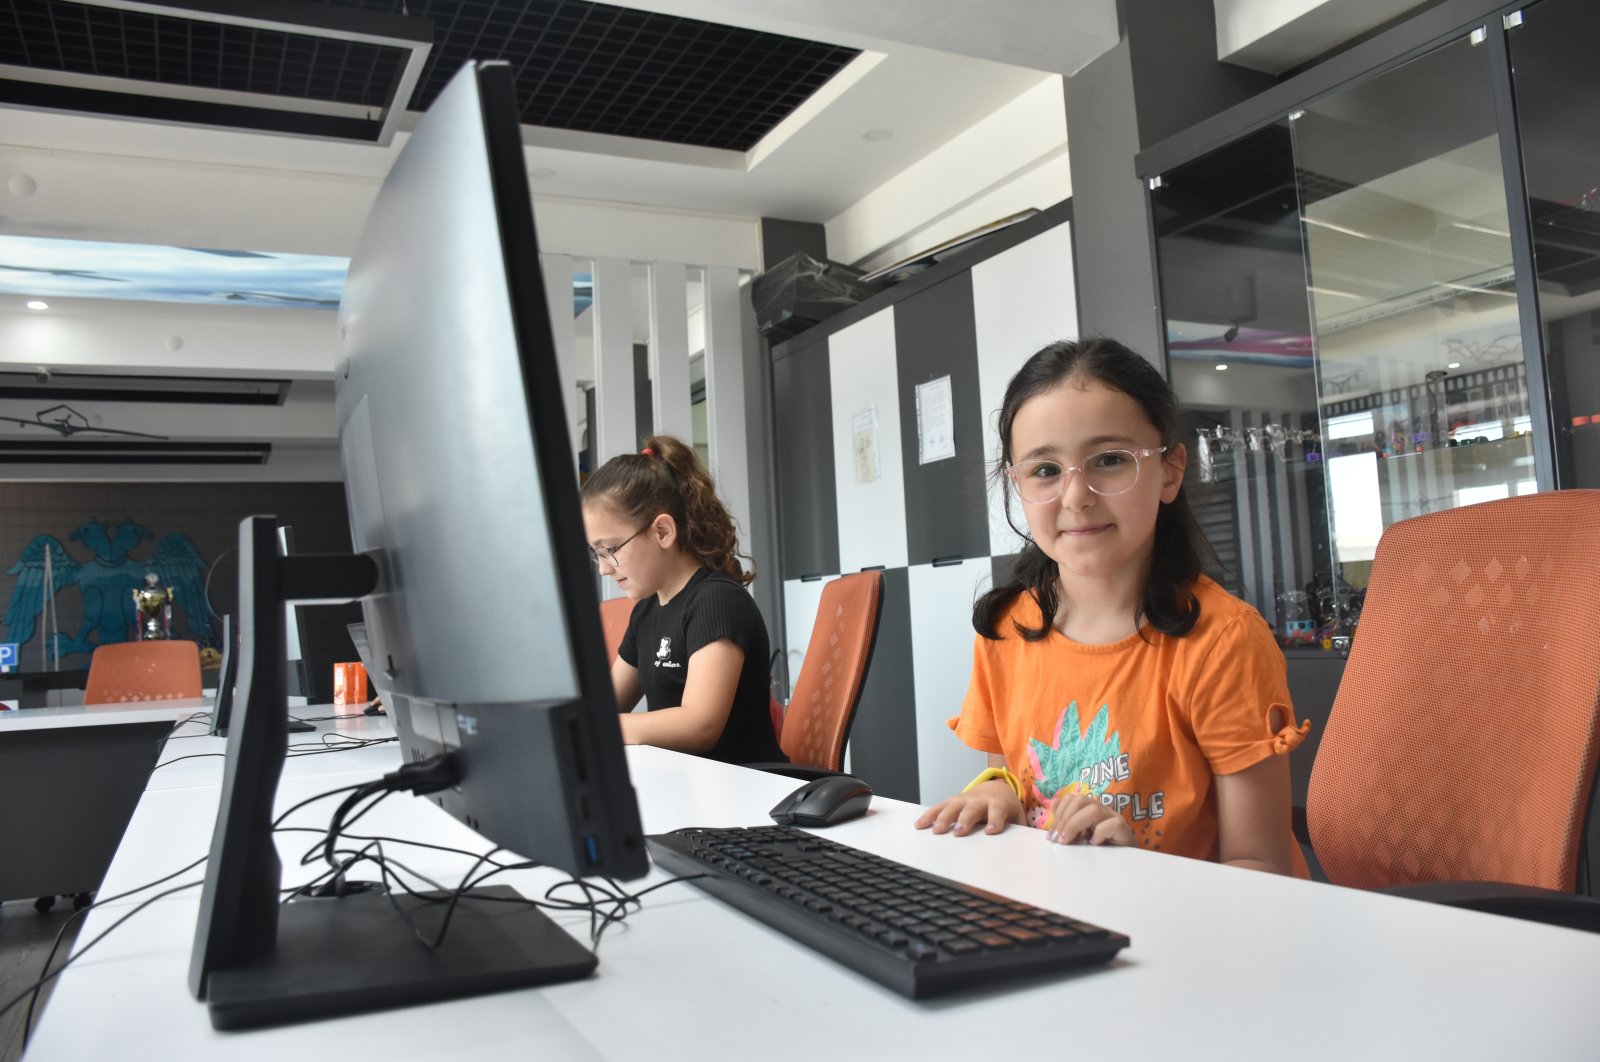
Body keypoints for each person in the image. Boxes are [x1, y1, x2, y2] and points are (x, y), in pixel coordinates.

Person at [913, 338, 1308, 876]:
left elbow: (1260, 868)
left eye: (1110, 460)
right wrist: (998, 797)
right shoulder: (1006, 629)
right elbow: (1010, 775)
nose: (1076, 496)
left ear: (1170, 471)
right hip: (1055, 921)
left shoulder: (1223, 641)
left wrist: (1137, 869)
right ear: (1017, 486)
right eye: (1045, 470)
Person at [581, 434, 786, 765]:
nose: (604, 568)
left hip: (745, 787)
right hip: (690, 784)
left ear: (662, 531)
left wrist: (600, 727)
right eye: (596, 553)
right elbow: (605, 706)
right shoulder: (646, 612)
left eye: (611, 550)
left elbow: (699, 724)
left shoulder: (717, 600)